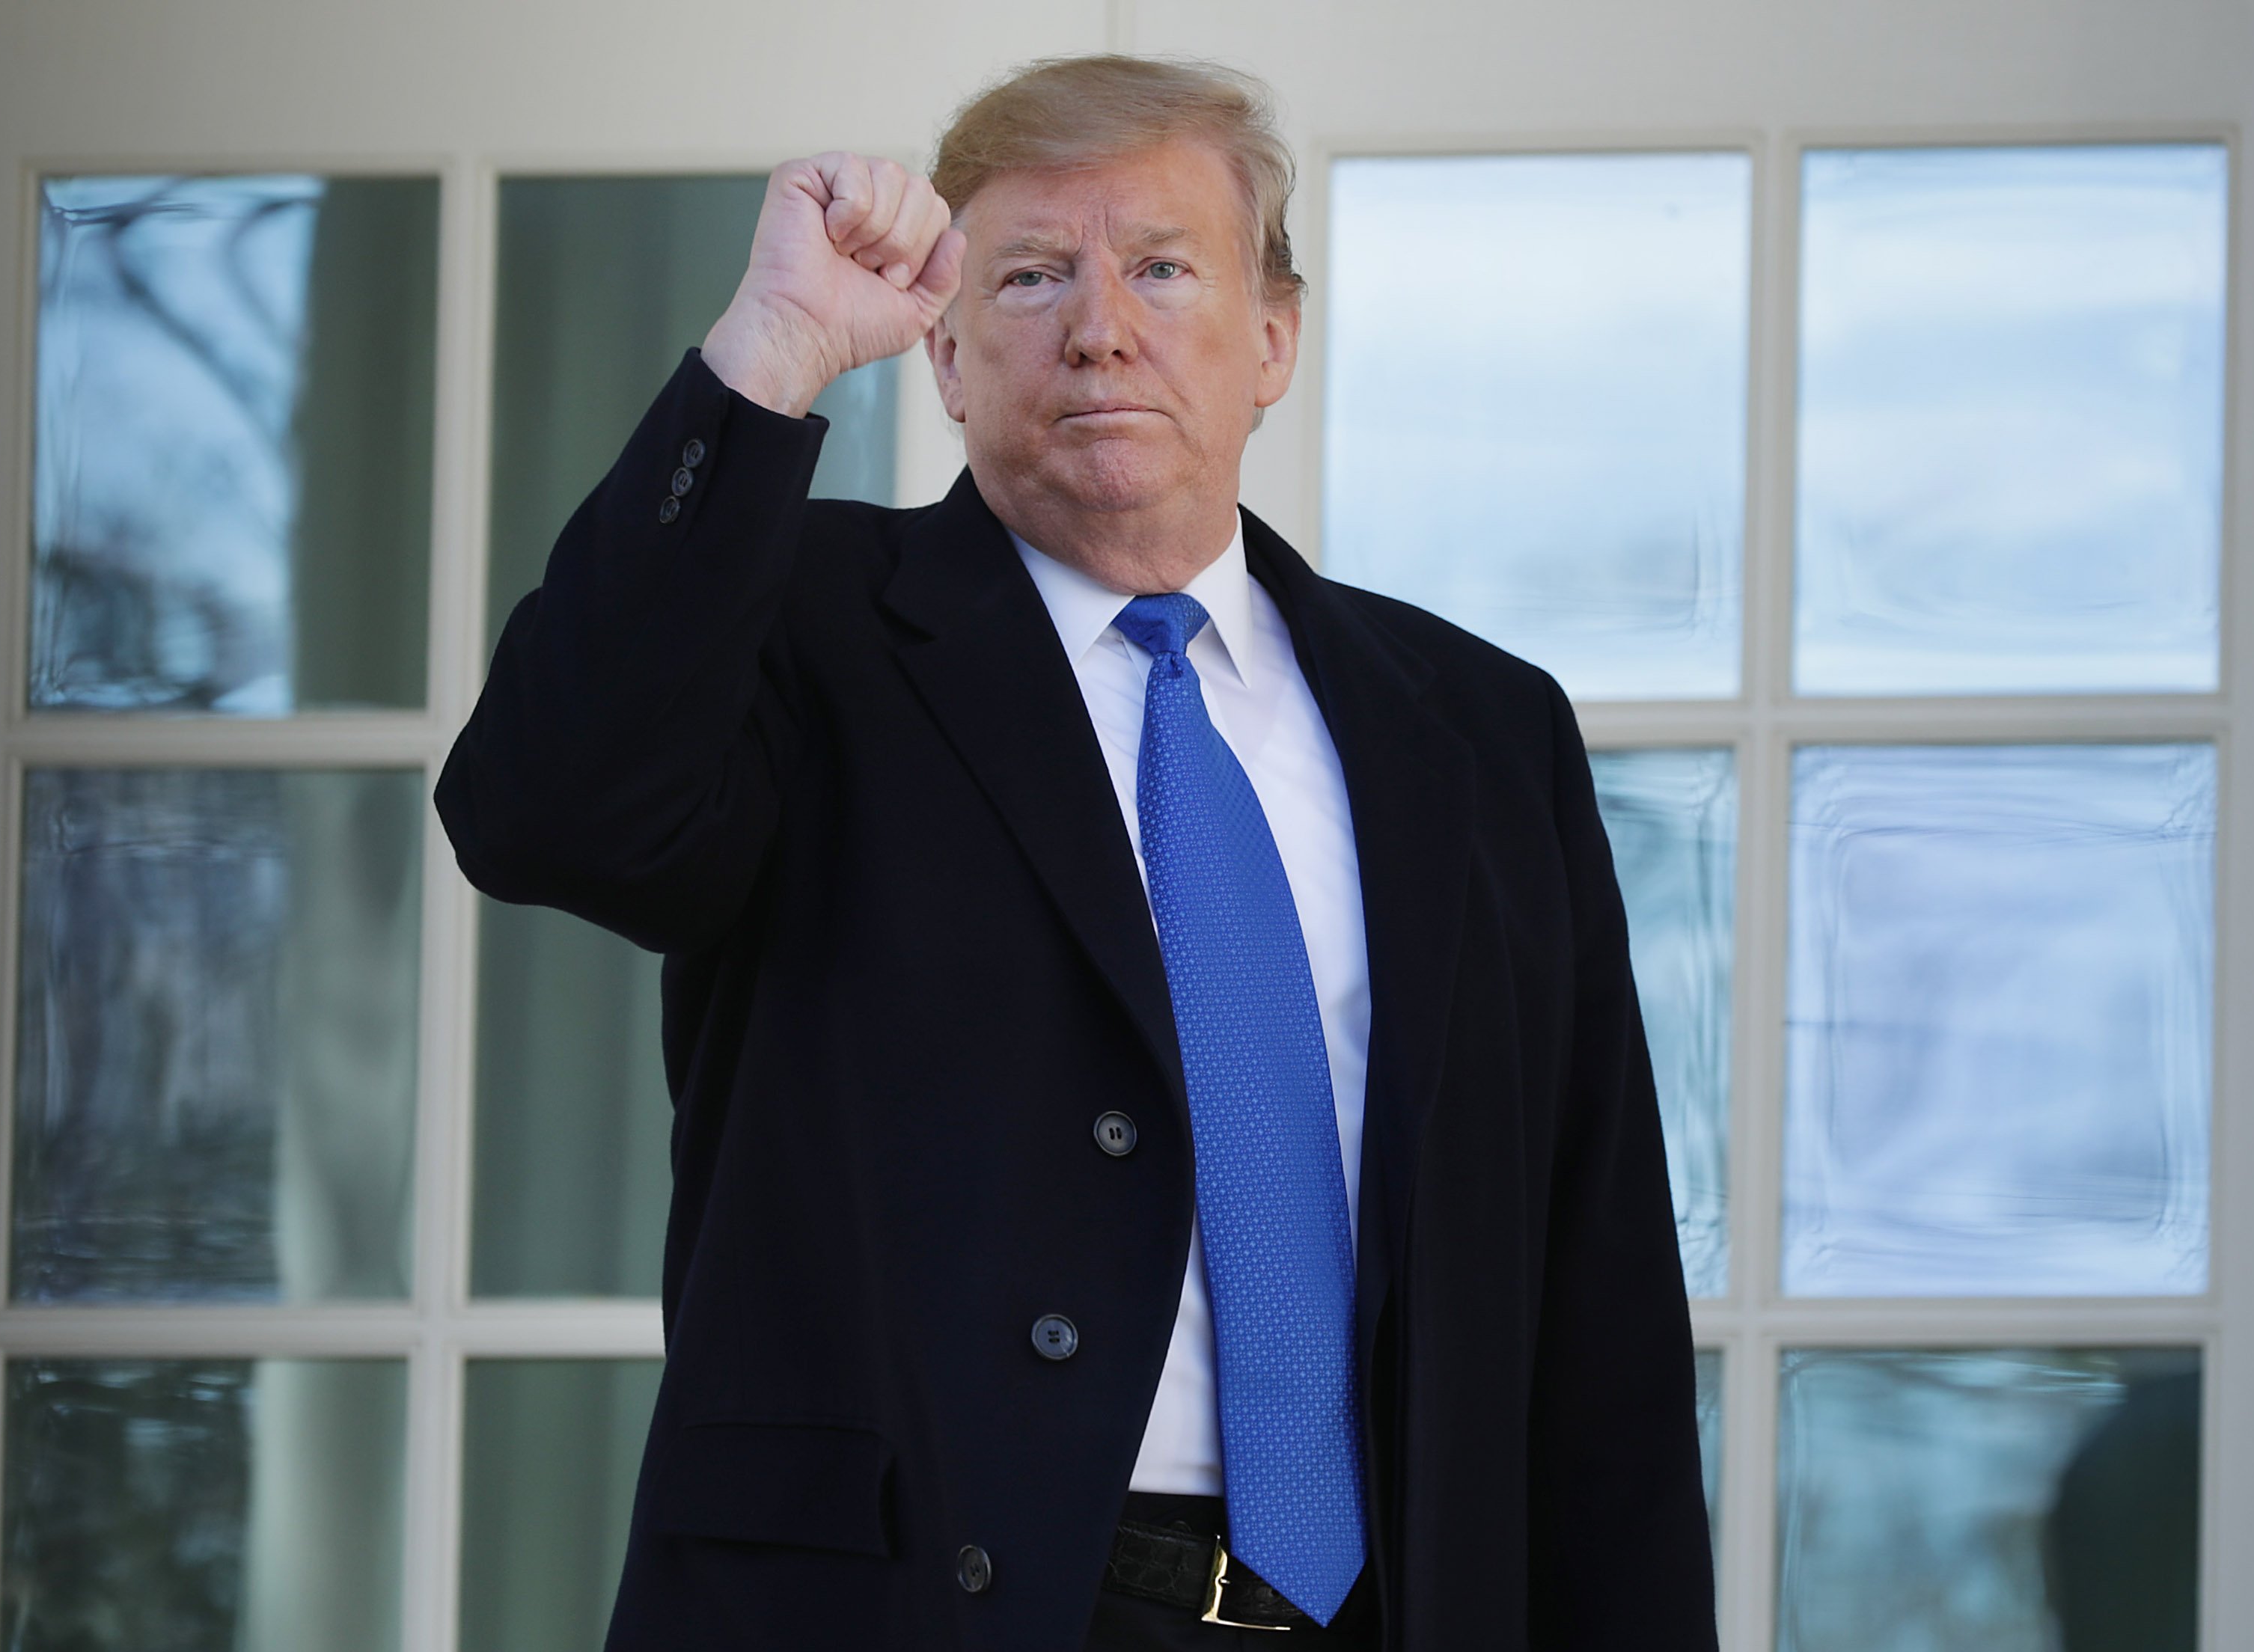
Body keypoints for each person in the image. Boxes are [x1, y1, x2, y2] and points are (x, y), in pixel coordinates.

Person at [437, 53, 1714, 1652]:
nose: (1101, 327)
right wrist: (771, 353)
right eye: (1031, 276)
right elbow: (541, 810)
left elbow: (1594, 1312)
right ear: (950, 355)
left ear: (1274, 338)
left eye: (1163, 268)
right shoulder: (807, 630)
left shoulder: (1478, 729)